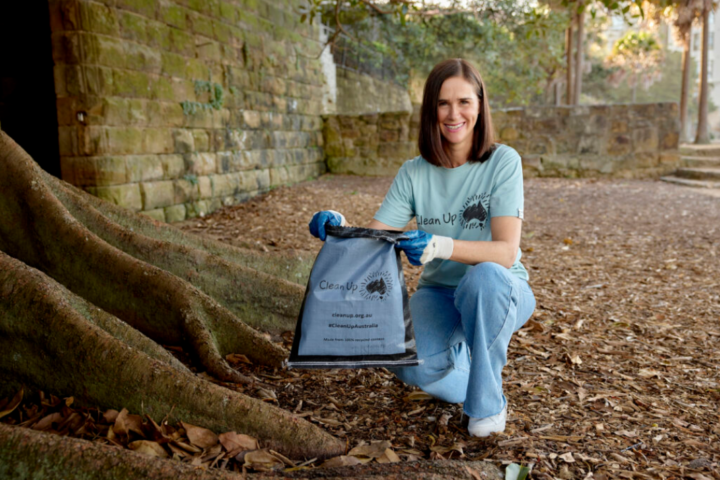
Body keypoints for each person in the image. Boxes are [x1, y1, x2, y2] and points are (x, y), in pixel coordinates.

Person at [308, 58, 535, 437]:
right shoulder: (414, 172)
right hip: (439, 292)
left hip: (500, 288)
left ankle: (487, 405)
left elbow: (506, 252)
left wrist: (440, 245)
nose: (453, 113)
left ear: (479, 104)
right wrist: (338, 225)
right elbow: (375, 237)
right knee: (407, 361)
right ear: (431, 109)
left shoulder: (503, 161)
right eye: (443, 103)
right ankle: (472, 375)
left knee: (485, 279)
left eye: (463, 101)